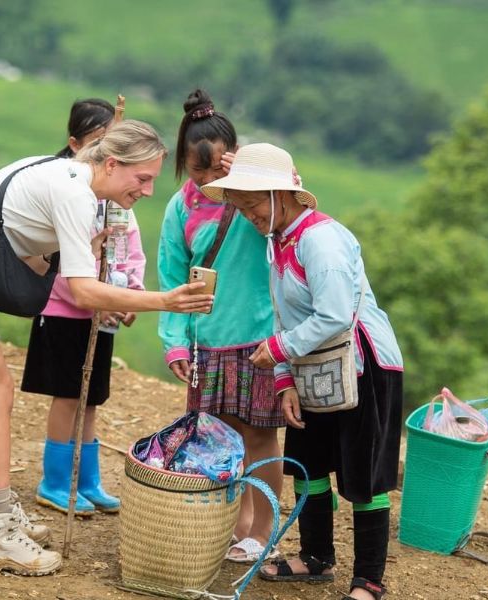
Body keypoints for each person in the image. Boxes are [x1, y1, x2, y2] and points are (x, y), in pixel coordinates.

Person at [0, 120, 213, 577]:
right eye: (143, 178)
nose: (149, 191)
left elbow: (31, 251)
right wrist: (165, 301)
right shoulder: (75, 193)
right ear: (112, 164)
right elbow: (85, 293)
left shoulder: (56, 172)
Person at [201, 143, 403, 600]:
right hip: (314, 366)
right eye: (241, 205)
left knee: (361, 473)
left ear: (280, 194)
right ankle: (315, 557)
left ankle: (369, 578)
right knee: (308, 461)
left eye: (252, 203)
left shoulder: (320, 241)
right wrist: (284, 380)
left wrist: (277, 350)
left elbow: (333, 315)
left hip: (362, 366)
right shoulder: (281, 241)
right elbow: (284, 313)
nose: (248, 214)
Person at [157, 90, 284, 563]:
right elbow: (172, 281)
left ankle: (266, 528)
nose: (208, 179)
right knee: (221, 440)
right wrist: (174, 343)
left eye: (218, 169)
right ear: (184, 165)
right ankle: (239, 526)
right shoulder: (180, 209)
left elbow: (284, 225)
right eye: (198, 170)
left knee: (258, 436)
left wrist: (249, 180)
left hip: (260, 340)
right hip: (206, 343)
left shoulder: (257, 199)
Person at [21, 99, 145, 515]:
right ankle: (55, 481)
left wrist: (131, 294)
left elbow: (133, 253)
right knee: (68, 395)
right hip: (64, 311)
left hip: (104, 313)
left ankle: (87, 479)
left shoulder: (119, 202)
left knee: (91, 397)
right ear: (75, 145)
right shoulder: (65, 195)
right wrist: (88, 294)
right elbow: (51, 262)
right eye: (97, 143)